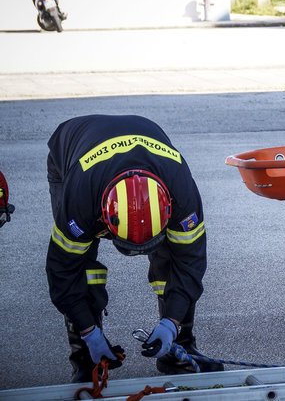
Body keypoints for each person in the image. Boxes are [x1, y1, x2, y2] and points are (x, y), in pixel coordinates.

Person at [45, 114, 223, 382]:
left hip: (143, 148)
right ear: (103, 216)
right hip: (72, 149)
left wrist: (171, 323)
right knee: (80, 264)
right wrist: (88, 331)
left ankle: (179, 349)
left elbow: (189, 264)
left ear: (168, 209)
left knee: (171, 258)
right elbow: (63, 271)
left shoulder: (182, 193)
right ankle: (86, 360)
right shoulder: (80, 198)